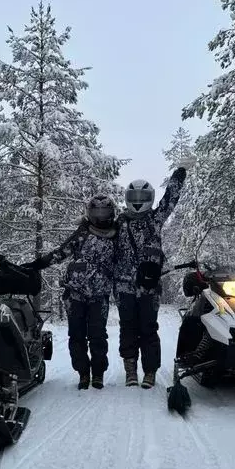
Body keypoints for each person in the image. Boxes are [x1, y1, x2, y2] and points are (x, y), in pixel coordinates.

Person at [22, 194, 117, 390]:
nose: (100, 216)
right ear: (89, 213)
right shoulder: (82, 233)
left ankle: (98, 373)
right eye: (96, 211)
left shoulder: (117, 235)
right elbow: (60, 252)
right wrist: (37, 264)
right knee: (76, 336)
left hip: (100, 295)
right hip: (75, 294)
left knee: (98, 336)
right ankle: (83, 373)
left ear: (111, 213)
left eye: (104, 212)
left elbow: (127, 261)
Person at [114, 163, 190, 388]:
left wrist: (178, 178)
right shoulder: (118, 223)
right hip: (124, 287)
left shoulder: (155, 220)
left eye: (142, 195)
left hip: (149, 287)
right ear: (128, 197)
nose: (138, 199)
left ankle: (149, 372)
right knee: (128, 328)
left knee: (149, 328)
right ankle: (130, 370)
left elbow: (169, 201)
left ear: (149, 197)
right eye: (134, 195)